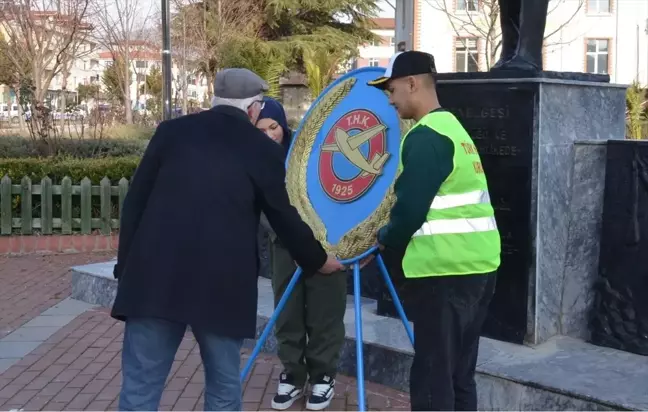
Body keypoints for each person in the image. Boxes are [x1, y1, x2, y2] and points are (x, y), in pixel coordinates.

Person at [111, 68, 344, 411]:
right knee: (223, 386)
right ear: (254, 108)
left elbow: (135, 203)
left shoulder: (170, 133)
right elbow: (283, 216)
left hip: (153, 277)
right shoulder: (260, 149)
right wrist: (318, 260)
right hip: (221, 285)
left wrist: (125, 265)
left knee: (141, 386)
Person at [366, 51, 502, 411]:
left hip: (446, 274)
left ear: (412, 83)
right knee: (459, 376)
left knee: (431, 377)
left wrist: (383, 238)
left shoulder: (426, 137)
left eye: (392, 89)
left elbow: (409, 212)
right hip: (477, 267)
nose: (391, 99)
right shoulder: (452, 129)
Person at [255, 97, 347, 411]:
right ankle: (293, 374)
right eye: (261, 129)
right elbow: (263, 209)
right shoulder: (255, 161)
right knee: (288, 312)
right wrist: (293, 241)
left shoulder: (306, 155)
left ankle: (323, 375)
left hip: (324, 244)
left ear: (284, 126)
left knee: (325, 313)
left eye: (274, 127)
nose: (269, 135)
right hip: (283, 247)